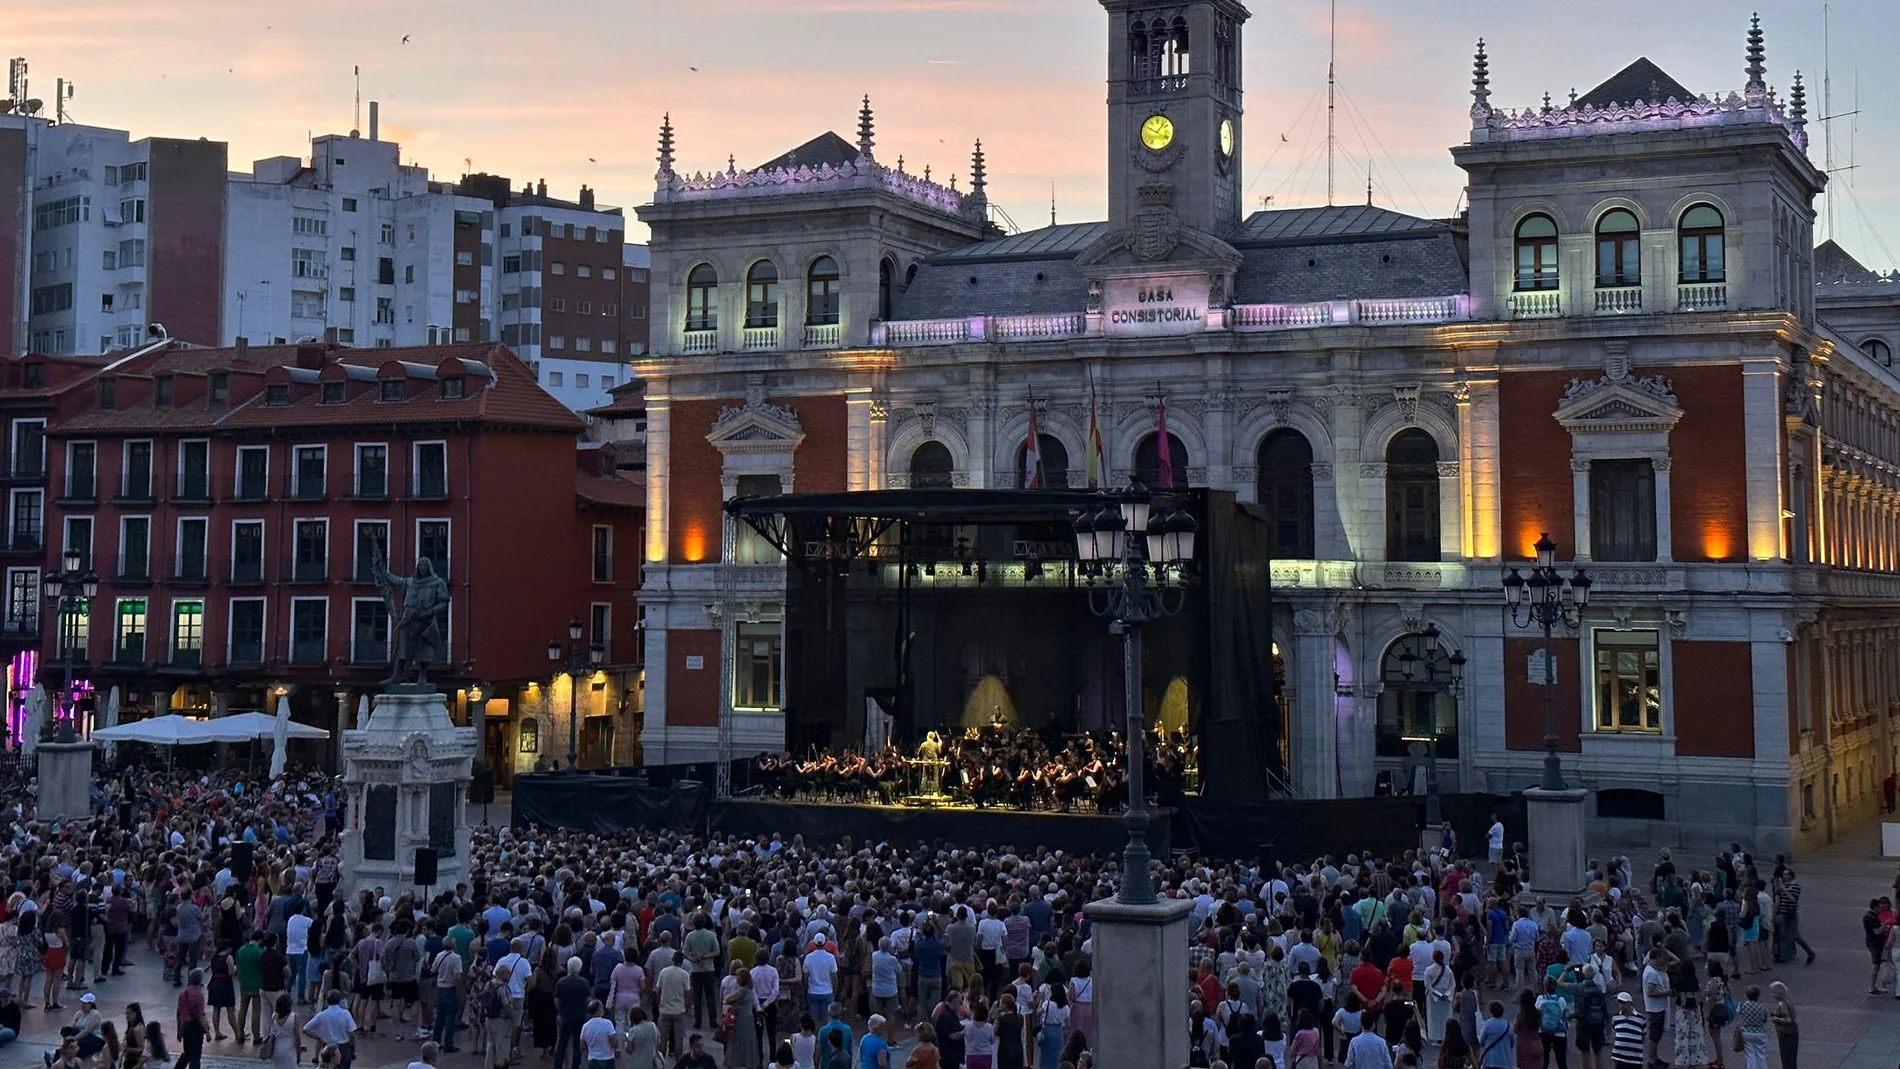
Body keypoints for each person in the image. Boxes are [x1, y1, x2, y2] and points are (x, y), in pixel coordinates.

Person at [302, 989, 360, 1069]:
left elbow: (305, 1029)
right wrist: (353, 1049)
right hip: (344, 1047)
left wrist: (318, 1037)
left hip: (328, 1047)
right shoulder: (346, 1014)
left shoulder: (322, 1015)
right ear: (339, 1000)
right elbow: (352, 1034)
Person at [554, 957, 595, 1069]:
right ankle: (575, 1065)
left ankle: (557, 1065)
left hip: (565, 1016)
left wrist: (561, 1011)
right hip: (579, 1016)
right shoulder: (584, 982)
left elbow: (557, 1000)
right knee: (577, 1043)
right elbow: (588, 1000)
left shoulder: (561, 982)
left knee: (562, 1042)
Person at [175, 967, 209, 1069]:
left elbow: (178, 1013)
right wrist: (207, 1031)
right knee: (196, 1056)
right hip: (196, 1027)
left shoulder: (183, 993)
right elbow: (200, 1016)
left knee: (187, 1053)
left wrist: (179, 1030)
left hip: (185, 1026)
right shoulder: (199, 995)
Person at [1732, 985, 1770, 1069]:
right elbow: (1764, 1019)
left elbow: (1738, 1012)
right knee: (1761, 1054)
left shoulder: (1742, 1004)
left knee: (1750, 1055)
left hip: (1746, 1032)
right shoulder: (1762, 1007)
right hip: (1760, 1032)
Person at [265, 993, 303, 1069]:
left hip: (275, 1048)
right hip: (289, 1049)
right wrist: (299, 1053)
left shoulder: (274, 1016)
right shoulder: (294, 1016)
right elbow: (297, 1037)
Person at [579, 1000, 619, 1069]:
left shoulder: (586, 1026)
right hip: (608, 1059)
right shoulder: (607, 1023)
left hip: (593, 1059)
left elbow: (582, 1046)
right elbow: (615, 1043)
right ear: (598, 1010)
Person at [1768, 982, 1797, 1069]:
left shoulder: (1782, 1004)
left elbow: (1788, 1019)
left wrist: (1777, 1019)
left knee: (1786, 1057)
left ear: (1780, 993)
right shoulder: (1787, 1002)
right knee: (1790, 1057)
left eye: (1773, 992)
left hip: (1786, 1032)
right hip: (1790, 1032)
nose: (1772, 995)